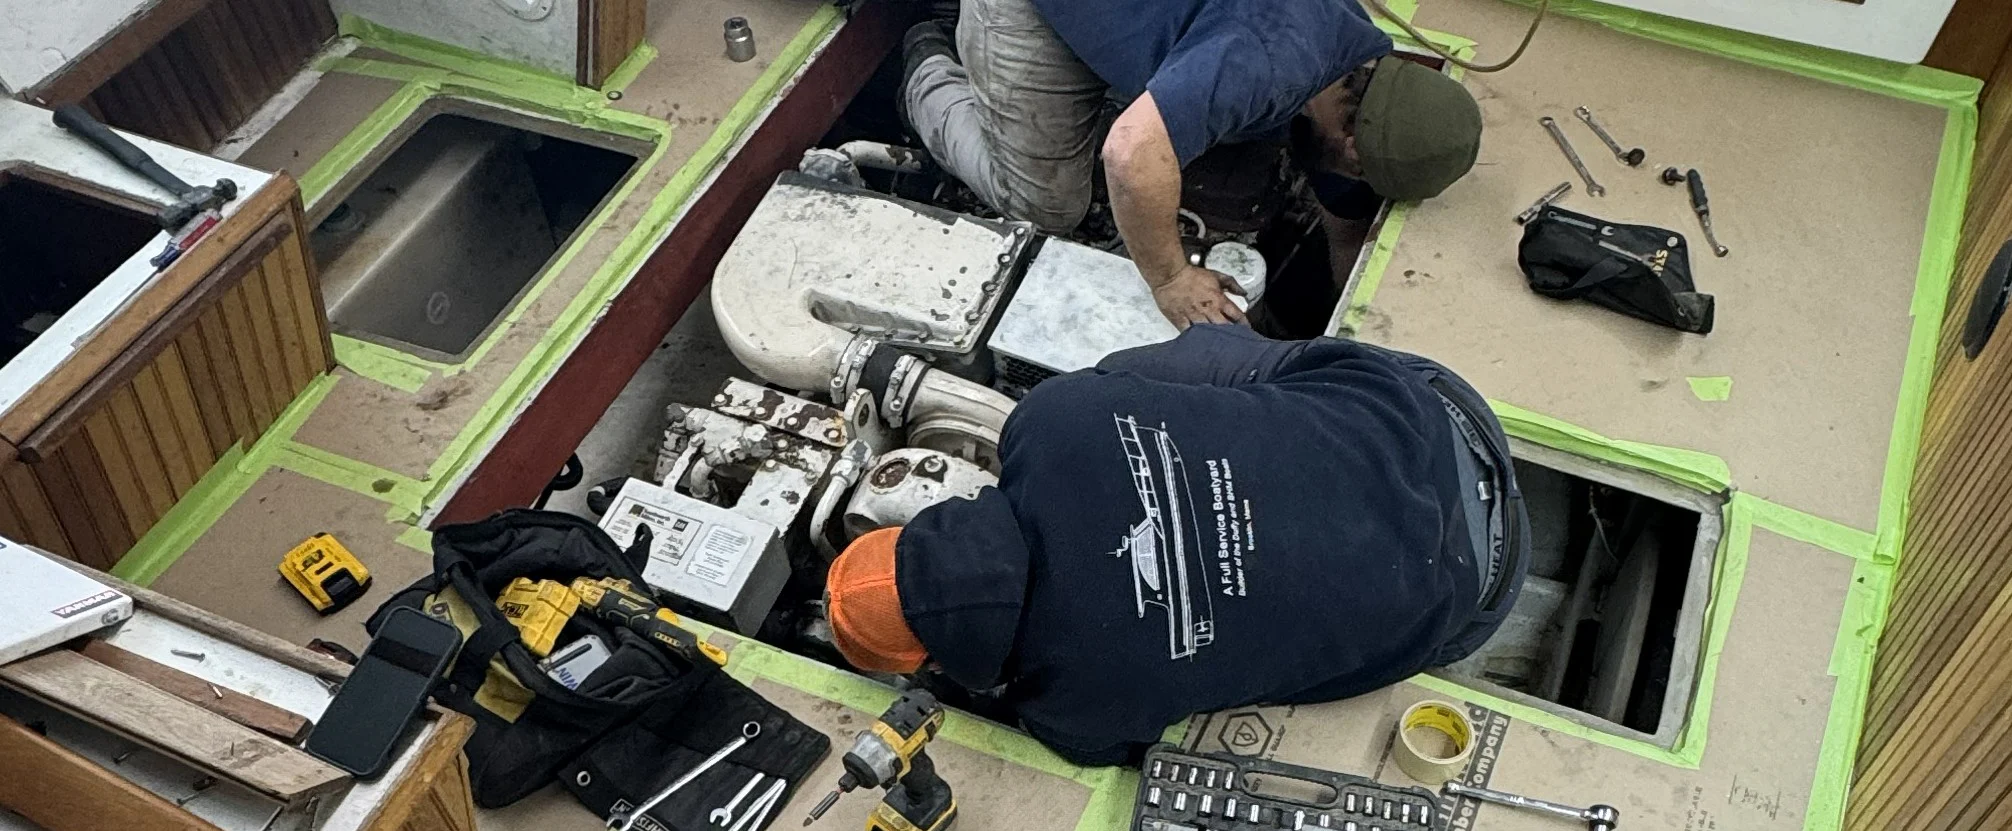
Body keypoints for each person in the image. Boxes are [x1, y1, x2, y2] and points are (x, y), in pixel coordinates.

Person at [821, 326, 1528, 765]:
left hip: (1474, 587)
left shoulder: (1068, 706)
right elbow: (1164, 377)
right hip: (1437, 410)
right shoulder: (1048, 419)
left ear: (930, 662)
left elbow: (1109, 753)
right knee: (1159, 372)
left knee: (1236, 677)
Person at [901, 0, 1484, 330]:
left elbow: (1346, 221)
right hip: (1036, 11)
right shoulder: (1269, 59)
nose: (1351, 182)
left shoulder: (1354, 48)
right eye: (1363, 175)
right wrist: (1171, 279)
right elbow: (1130, 154)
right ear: (1355, 146)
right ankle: (924, 63)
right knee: (1044, 201)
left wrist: (1344, 330)